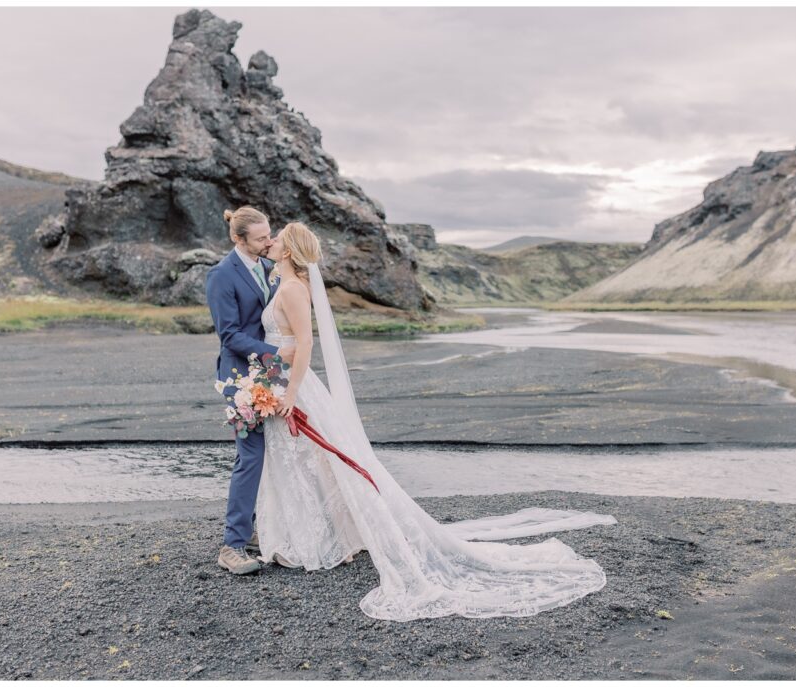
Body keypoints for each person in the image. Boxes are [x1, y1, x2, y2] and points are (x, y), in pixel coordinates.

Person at [250, 222, 618, 621]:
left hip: (294, 388)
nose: (270, 243)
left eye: (277, 241)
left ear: (288, 251)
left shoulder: (291, 289)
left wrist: (287, 391)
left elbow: (303, 344)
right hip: (277, 379)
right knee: (298, 463)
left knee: (315, 461)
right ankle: (305, 538)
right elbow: (282, 339)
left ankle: (325, 542)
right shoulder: (280, 282)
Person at [205, 206, 294, 576]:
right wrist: (275, 352)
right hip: (241, 378)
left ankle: (258, 529)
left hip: (270, 374)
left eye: (269, 234)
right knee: (251, 455)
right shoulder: (221, 275)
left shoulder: (267, 267)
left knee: (273, 451)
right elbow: (228, 335)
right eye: (260, 238)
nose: (269, 241)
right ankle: (232, 545)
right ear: (236, 238)